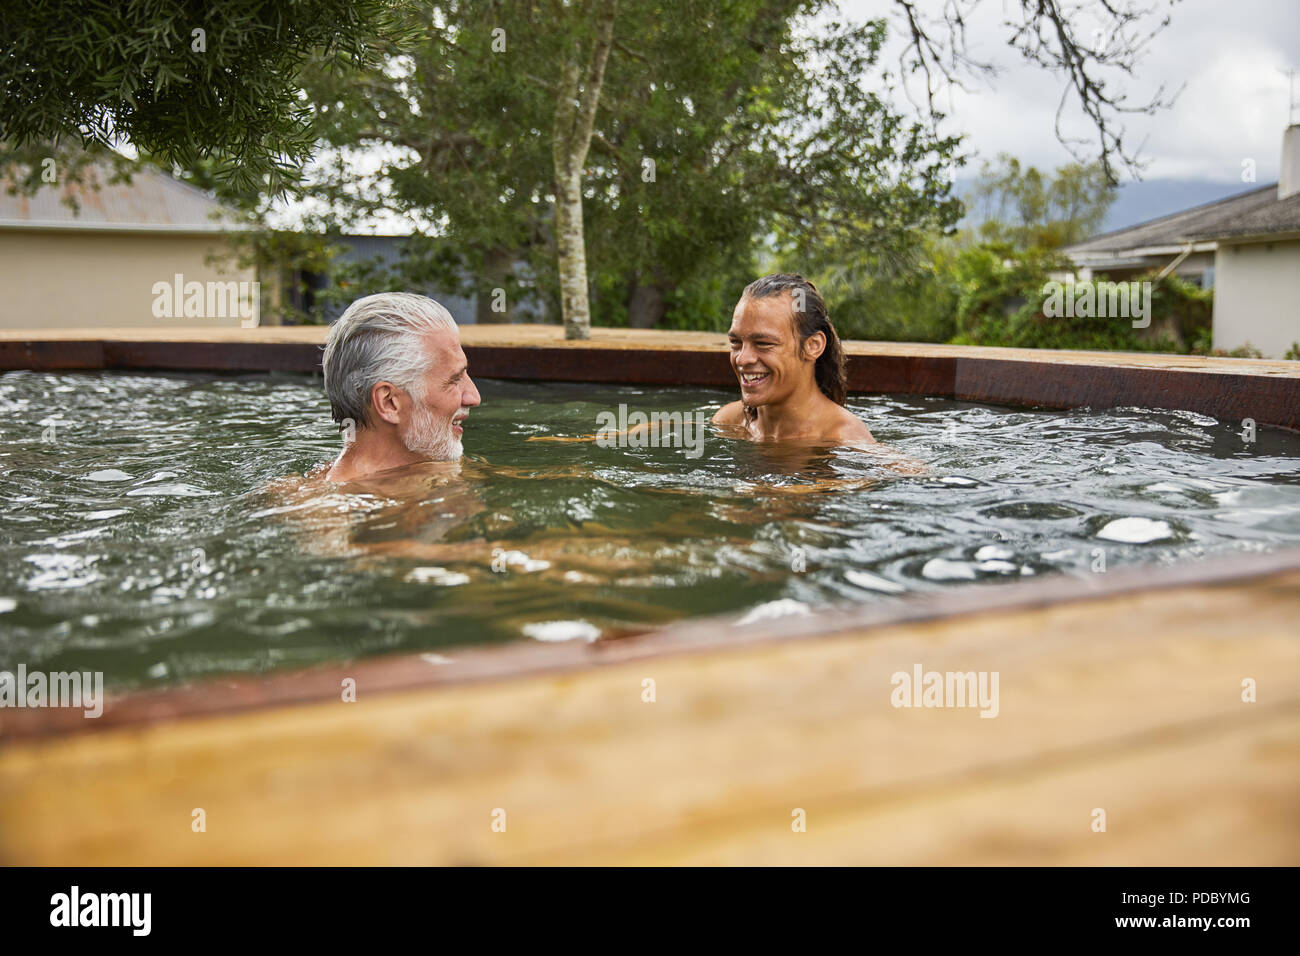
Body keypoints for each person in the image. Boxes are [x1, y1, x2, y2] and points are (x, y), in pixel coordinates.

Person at [321, 292, 481, 483]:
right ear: (389, 403)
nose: (474, 397)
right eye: (454, 380)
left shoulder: (434, 464)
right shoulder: (335, 509)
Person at [712, 273, 874, 445]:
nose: (742, 359)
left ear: (813, 346)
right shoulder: (728, 423)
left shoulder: (846, 439)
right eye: (736, 343)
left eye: (763, 343)